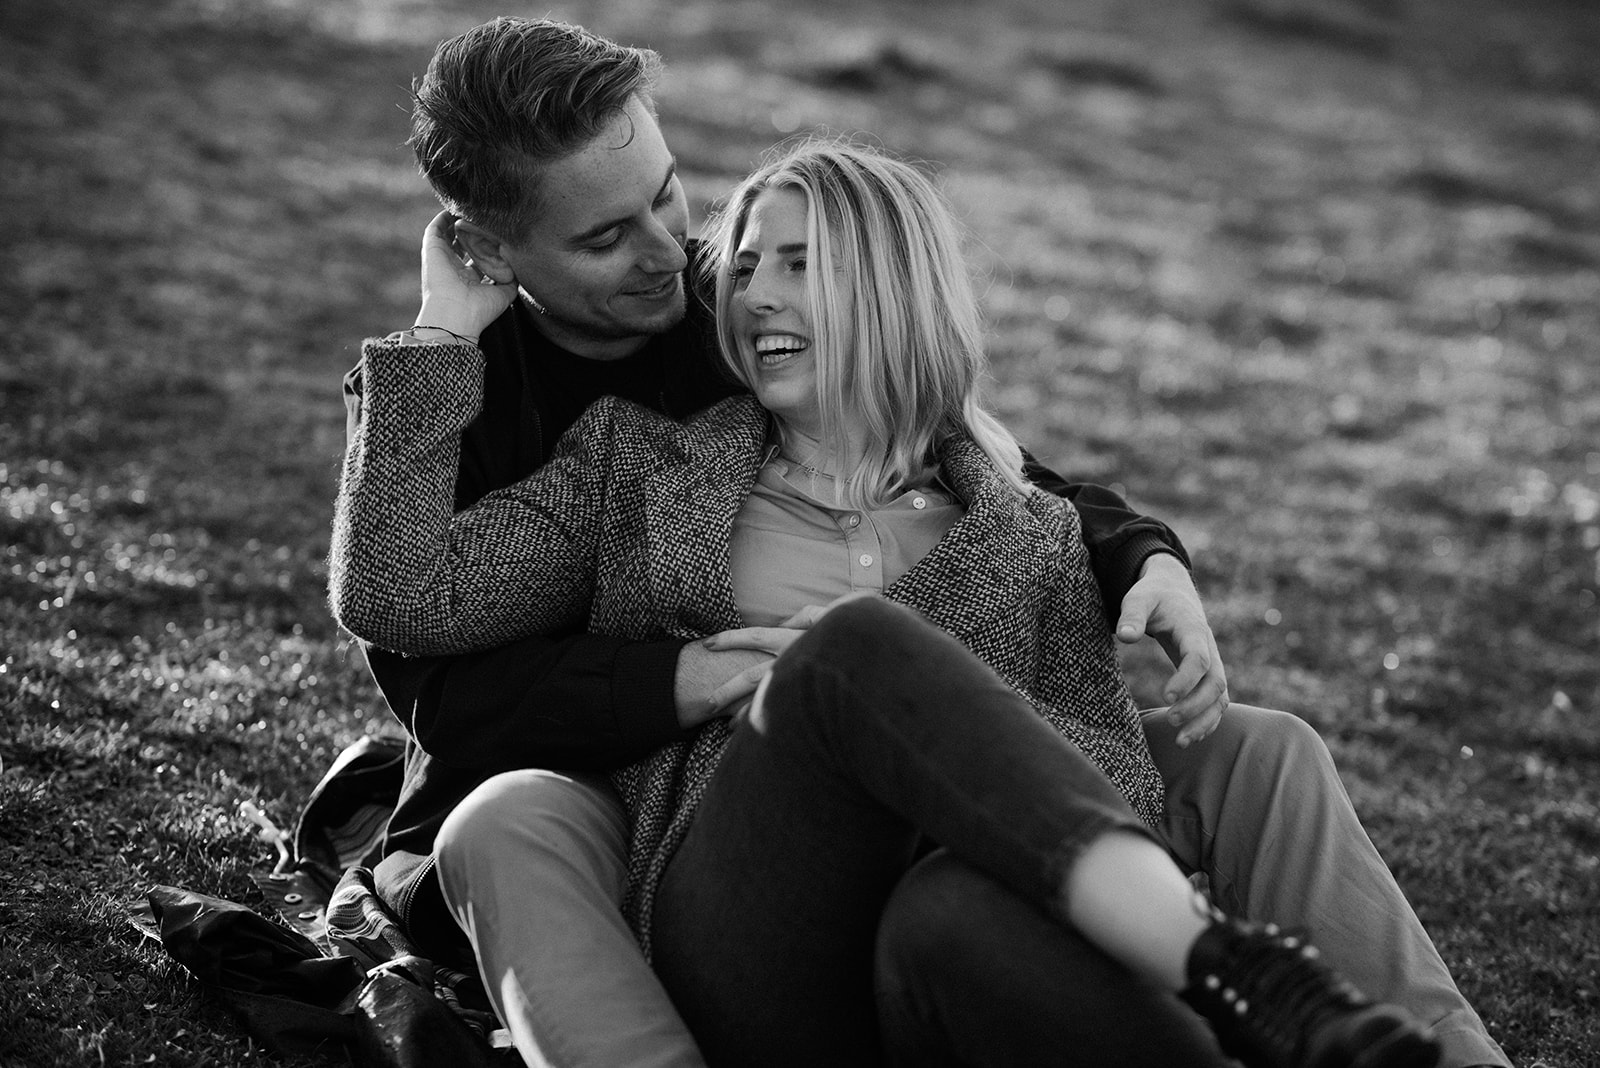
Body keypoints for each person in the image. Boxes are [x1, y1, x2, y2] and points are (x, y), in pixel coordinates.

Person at [337, 17, 1508, 1068]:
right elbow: (414, 621)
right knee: (845, 655)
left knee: (1228, 766)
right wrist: (687, 676)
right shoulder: (625, 463)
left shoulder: (1000, 511)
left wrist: (1139, 553)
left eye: (672, 196)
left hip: (952, 900)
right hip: (715, 870)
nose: (686, 262)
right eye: (613, 239)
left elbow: (1007, 488)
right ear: (495, 251)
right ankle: (1231, 968)